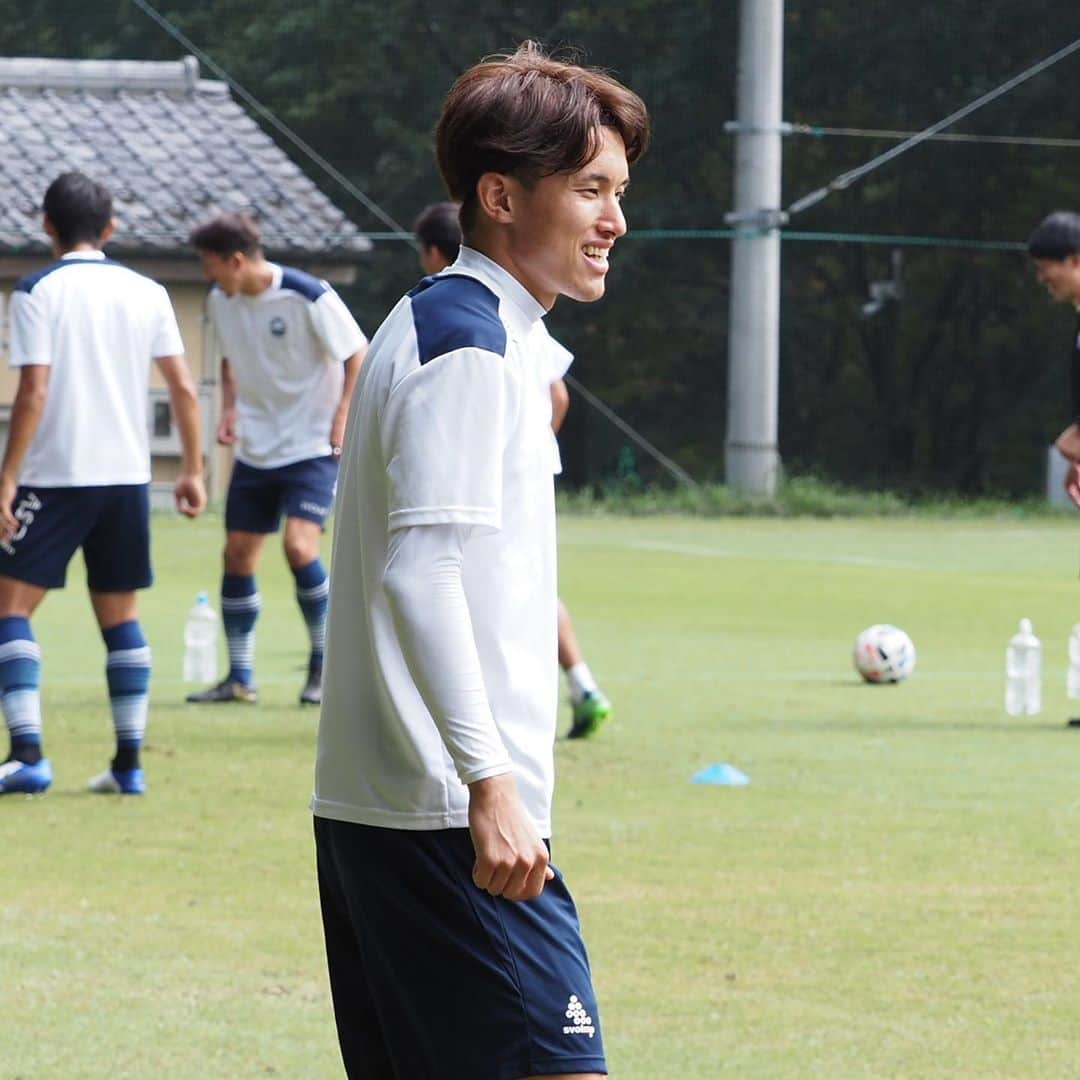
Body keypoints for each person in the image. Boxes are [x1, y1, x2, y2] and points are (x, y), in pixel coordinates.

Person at [313, 42, 648, 1079]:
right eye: (591, 189)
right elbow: (421, 573)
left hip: (404, 813)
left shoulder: (449, 324)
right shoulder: (470, 347)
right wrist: (488, 786)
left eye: (619, 192)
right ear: (500, 196)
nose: (614, 222)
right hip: (443, 819)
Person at [0, 171, 206, 796]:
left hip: (55, 477)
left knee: (10, 608)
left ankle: (28, 755)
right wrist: (193, 469)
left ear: (46, 225)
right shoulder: (148, 291)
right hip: (126, 479)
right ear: (111, 228)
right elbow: (182, 387)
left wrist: (6, 478)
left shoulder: (36, 291)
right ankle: (128, 764)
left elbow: (33, 391)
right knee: (120, 614)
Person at [415, 200, 614, 739]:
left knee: (488, 586)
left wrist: (515, 449)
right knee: (525, 585)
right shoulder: (509, 313)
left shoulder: (469, 319)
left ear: (436, 253)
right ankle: (582, 684)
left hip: (498, 473)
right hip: (520, 467)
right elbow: (558, 394)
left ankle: (488, 714)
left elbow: (554, 394)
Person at [185, 214, 367, 707]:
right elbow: (228, 356)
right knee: (237, 554)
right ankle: (239, 677)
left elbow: (357, 353)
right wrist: (228, 409)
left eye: (210, 265)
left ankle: (324, 666)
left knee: (299, 548)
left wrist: (343, 416)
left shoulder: (309, 295)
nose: (208, 276)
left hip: (311, 446)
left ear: (236, 260)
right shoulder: (221, 300)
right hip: (256, 448)